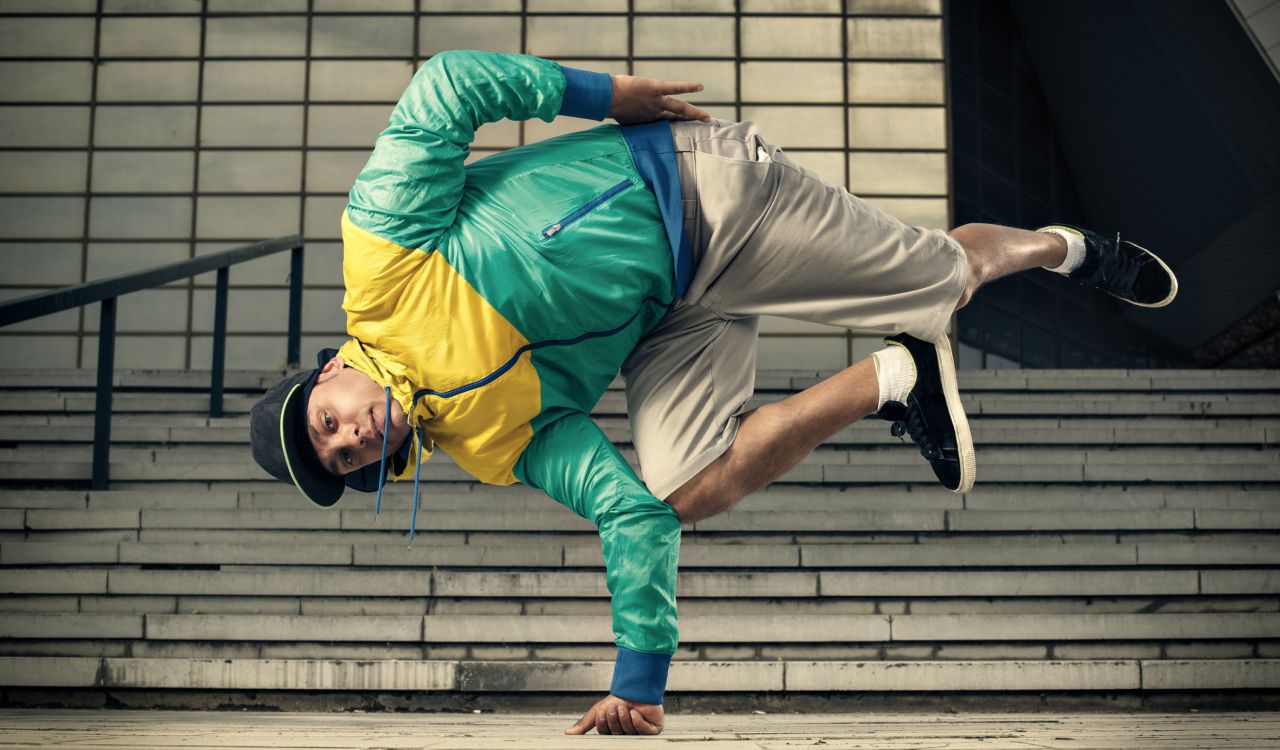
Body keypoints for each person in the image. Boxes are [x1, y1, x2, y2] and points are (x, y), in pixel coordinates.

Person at [248, 50, 1177, 736]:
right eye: (342, 460)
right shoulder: (487, 446)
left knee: (946, 281)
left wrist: (605, 97)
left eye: (327, 423)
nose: (349, 442)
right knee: (677, 490)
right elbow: (629, 516)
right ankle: (893, 381)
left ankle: (1072, 248)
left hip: (700, 192)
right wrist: (639, 676)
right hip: (673, 317)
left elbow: (446, 87)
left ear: (331, 372)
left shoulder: (379, 264)